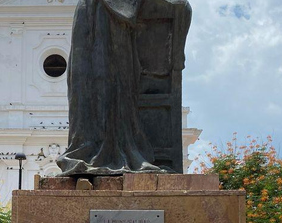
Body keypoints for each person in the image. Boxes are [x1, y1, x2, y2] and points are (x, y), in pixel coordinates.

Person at [57, 0, 190, 176]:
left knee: (114, 84)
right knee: (90, 81)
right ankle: (95, 150)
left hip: (114, 22)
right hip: (98, 17)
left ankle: (108, 150)